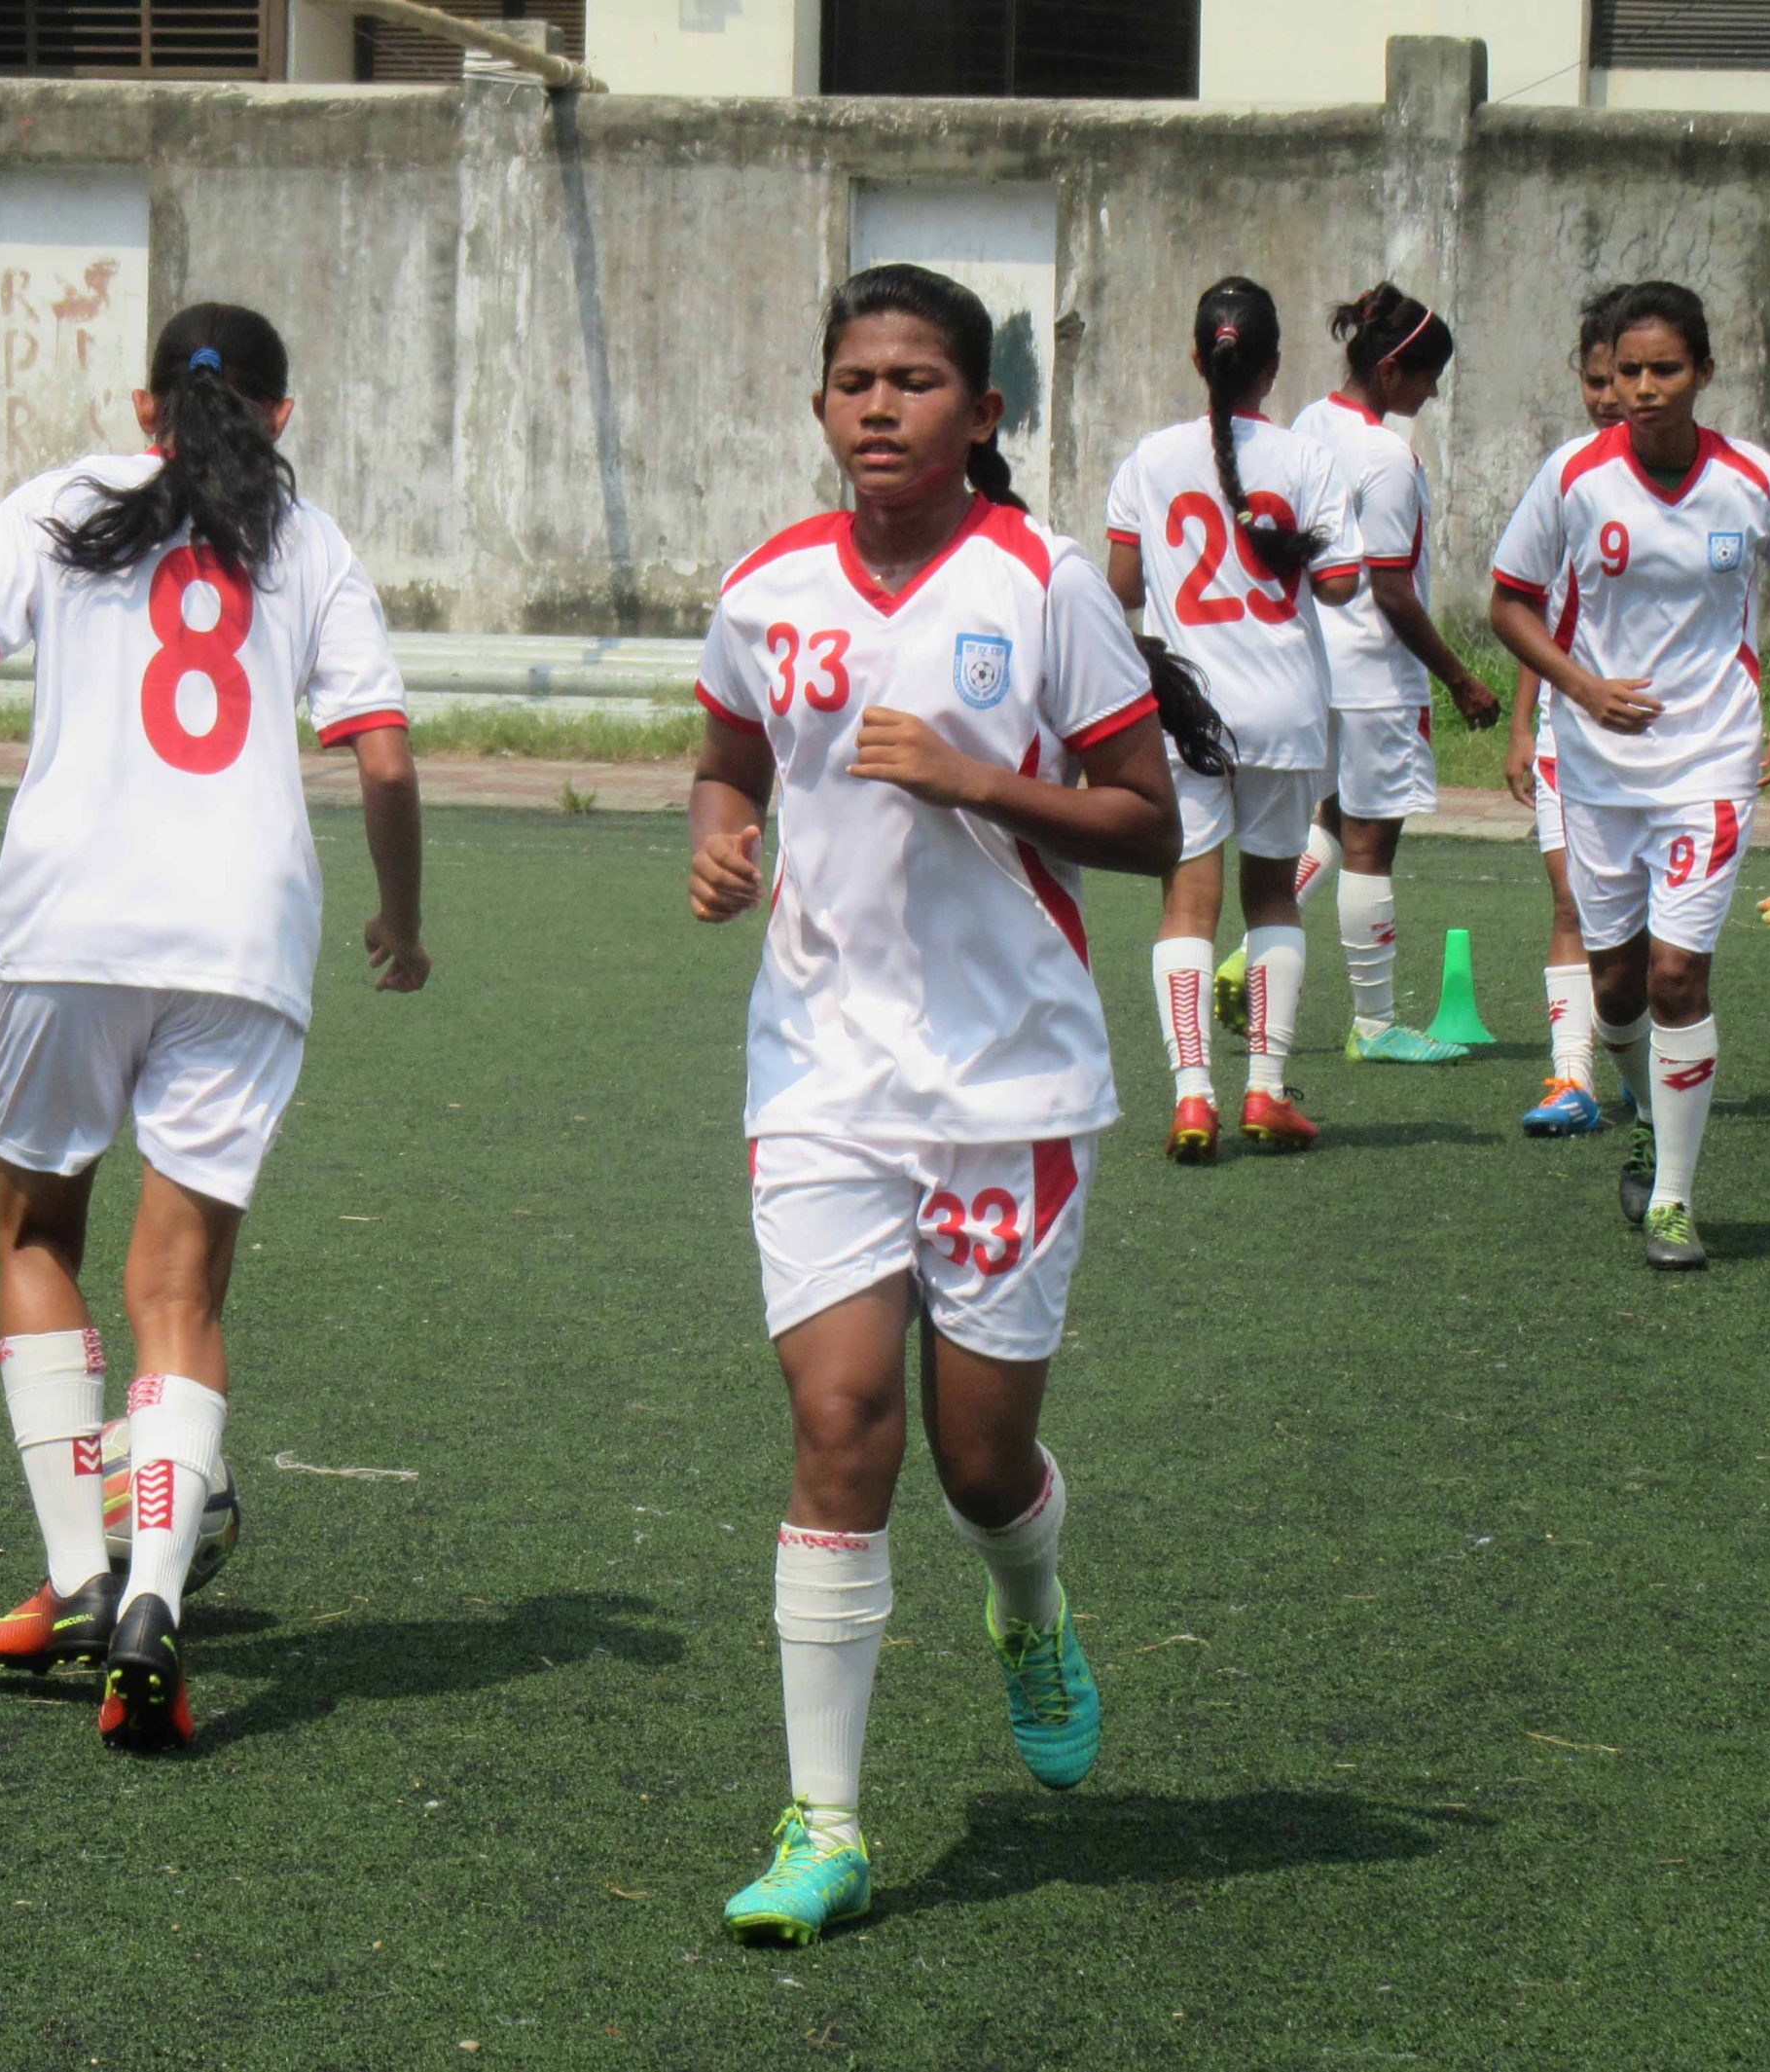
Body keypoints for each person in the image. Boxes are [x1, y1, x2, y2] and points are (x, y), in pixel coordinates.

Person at [0, 304, 430, 1745]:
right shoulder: (311, 543)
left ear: (144, 403)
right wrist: (401, 919)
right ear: (282, 415)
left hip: (69, 924)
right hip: (243, 942)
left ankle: (72, 1571)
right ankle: (150, 1604)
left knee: (37, 1236)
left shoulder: (62, 503)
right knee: (178, 1298)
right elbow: (384, 753)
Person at [687, 263, 1220, 1945]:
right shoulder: (767, 586)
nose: (881, 405)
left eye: (920, 379)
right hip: (823, 1071)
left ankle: (1031, 1598)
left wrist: (981, 776)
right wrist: (715, 830)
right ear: (822, 402)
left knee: (977, 1459)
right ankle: (826, 1820)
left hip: (1011, 1083)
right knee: (841, 1422)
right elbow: (730, 746)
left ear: (984, 413)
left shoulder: (1042, 582)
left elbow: (1155, 824)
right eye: (855, 377)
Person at [1489, 279, 1770, 1269]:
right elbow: (1508, 603)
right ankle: (1647, 1112)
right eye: (1629, 371)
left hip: (1710, 759)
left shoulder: (1753, 480)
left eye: (1665, 370)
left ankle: (1675, 1203)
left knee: (1678, 976)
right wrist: (1580, 690)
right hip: (1597, 771)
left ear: (1702, 373)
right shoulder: (1573, 476)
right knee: (1614, 990)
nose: (1642, 389)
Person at [1105, 276, 1363, 1163]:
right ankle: (1264, 1087)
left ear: (1195, 357)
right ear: (1276, 364)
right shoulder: (1305, 460)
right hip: (1288, 709)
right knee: (1271, 894)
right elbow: (1339, 584)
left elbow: (1125, 589)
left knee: (1188, 898)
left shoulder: (1149, 458)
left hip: (1187, 707)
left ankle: (1191, 1100)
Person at [1291, 285, 1500, 1065]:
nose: (1433, 392)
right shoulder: (1386, 457)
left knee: (1331, 819)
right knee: (1373, 845)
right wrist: (1458, 679)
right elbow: (1389, 587)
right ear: (1390, 369)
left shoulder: (1310, 426)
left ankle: (1255, 954)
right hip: (1378, 675)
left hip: (1319, 667)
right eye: (1426, 376)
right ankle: (1374, 1024)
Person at [1505, 283, 1632, 1138]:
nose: (1611, 397)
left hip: (1665, 742)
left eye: (1621, 377)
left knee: (1640, 941)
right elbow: (1535, 609)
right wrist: (1525, 720)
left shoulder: (1698, 481)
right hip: (1567, 727)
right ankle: (1572, 1077)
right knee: (1569, 901)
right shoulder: (1567, 476)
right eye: (1595, 380)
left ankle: (1637, 1056)